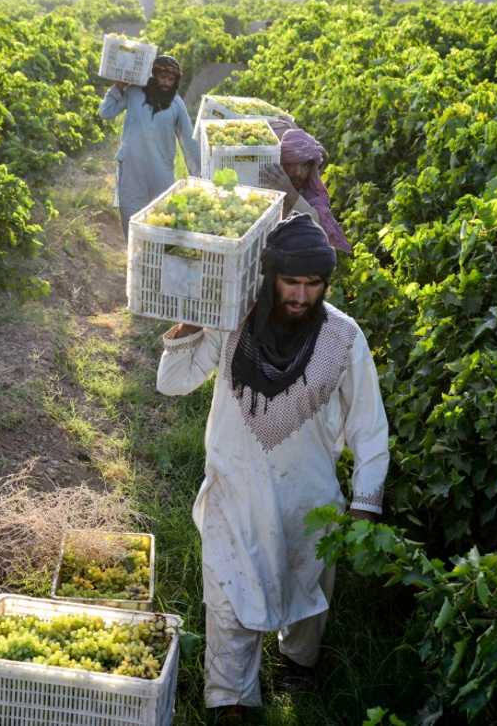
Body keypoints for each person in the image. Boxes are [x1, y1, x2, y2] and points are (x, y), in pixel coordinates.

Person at [155, 213, 389, 722]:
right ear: (269, 277)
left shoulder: (344, 338)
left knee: (306, 590)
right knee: (228, 596)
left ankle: (297, 665)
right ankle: (231, 698)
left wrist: (364, 509)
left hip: (308, 500)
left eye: (313, 284)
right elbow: (172, 382)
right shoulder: (233, 320)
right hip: (233, 493)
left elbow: (370, 428)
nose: (301, 296)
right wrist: (193, 318)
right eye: (291, 282)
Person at [98, 55, 200, 238]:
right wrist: (119, 86)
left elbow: (188, 141)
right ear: (153, 75)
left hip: (160, 173)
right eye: (162, 77)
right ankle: (134, 263)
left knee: (160, 224)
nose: (166, 83)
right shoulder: (134, 93)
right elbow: (105, 112)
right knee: (131, 222)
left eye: (170, 79)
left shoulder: (177, 104)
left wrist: (199, 175)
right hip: (131, 169)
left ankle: (155, 265)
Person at [260, 124, 352, 253]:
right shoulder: (269, 183)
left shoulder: (312, 195)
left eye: (305, 166)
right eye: (291, 164)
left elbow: (317, 228)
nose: (298, 172)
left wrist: (290, 192)